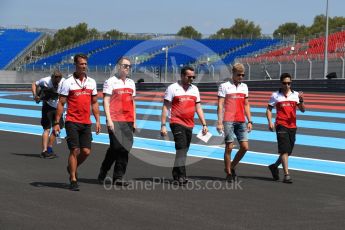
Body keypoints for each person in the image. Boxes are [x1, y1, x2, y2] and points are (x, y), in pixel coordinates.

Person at [53, 54, 101, 191]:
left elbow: (95, 102)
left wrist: (98, 120)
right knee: (75, 150)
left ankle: (71, 167)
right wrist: (57, 123)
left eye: (85, 64)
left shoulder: (91, 82)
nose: (84, 66)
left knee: (86, 151)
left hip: (86, 122)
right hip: (72, 121)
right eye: (81, 64)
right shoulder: (68, 82)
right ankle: (73, 178)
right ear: (75, 65)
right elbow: (61, 103)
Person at [160, 66, 208, 185]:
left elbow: (198, 107)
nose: (192, 79)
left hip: (190, 123)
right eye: (189, 76)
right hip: (176, 122)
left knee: (184, 150)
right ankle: (182, 176)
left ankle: (176, 173)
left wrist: (204, 124)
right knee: (181, 147)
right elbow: (166, 107)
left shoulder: (195, 89)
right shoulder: (173, 88)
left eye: (193, 77)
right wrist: (163, 125)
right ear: (182, 76)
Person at [97, 57, 136, 187]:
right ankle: (104, 169)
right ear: (119, 66)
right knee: (116, 147)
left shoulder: (131, 83)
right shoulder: (111, 81)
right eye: (125, 66)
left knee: (125, 148)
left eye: (129, 66)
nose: (127, 68)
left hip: (128, 120)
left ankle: (118, 177)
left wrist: (134, 121)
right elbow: (106, 101)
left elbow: (133, 102)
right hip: (115, 119)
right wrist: (108, 119)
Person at [266, 73, 305, 183]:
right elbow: (269, 109)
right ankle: (286, 174)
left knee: (288, 151)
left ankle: (274, 167)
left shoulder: (296, 95)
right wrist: (270, 122)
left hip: (292, 126)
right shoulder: (275, 95)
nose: (287, 85)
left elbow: (303, 110)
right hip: (281, 125)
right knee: (284, 150)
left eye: (289, 83)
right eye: (285, 83)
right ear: (281, 83)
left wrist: (301, 100)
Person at [216, 63, 253, 182]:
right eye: (239, 75)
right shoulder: (224, 86)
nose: (241, 77)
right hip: (228, 120)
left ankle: (231, 167)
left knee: (245, 147)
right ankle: (229, 173)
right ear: (233, 73)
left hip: (241, 120)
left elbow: (246, 104)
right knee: (229, 147)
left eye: (243, 75)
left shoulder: (244, 87)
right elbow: (220, 104)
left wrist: (250, 120)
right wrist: (220, 121)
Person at [31, 70, 65, 158]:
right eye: (55, 78)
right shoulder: (45, 80)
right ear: (52, 77)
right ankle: (45, 151)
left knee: (57, 129)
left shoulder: (64, 82)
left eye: (59, 78)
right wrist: (35, 95)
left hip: (58, 108)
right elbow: (34, 83)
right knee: (47, 129)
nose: (57, 80)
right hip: (47, 106)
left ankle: (49, 149)